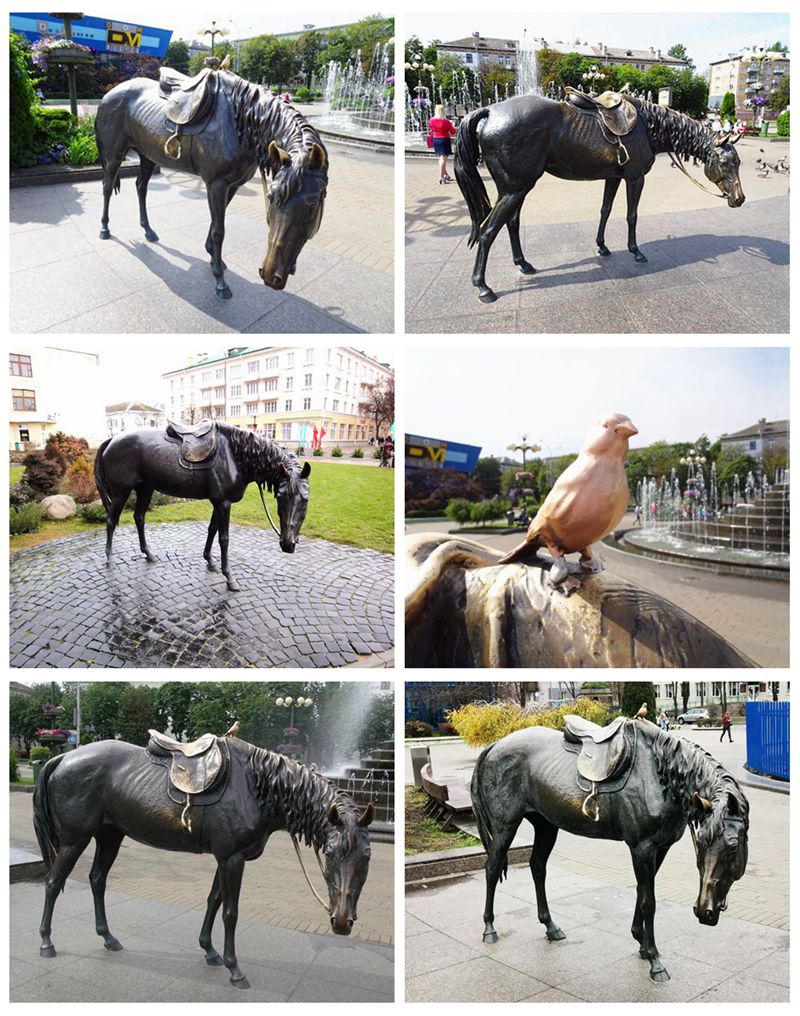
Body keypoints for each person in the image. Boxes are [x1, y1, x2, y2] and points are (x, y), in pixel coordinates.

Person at [428, 104, 457, 184]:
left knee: (440, 158)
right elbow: (452, 131)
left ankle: (446, 175)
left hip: (436, 139)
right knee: (443, 159)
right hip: (444, 139)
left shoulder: (431, 120)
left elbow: (431, 129)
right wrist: (453, 126)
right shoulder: (446, 121)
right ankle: (441, 176)